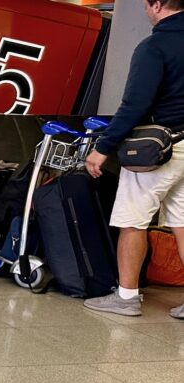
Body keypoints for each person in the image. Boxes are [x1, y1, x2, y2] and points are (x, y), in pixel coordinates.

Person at [85, 0, 184, 318]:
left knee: (132, 220)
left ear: (157, 4)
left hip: (160, 148)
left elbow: (135, 104)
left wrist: (103, 146)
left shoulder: (155, 45)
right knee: (183, 223)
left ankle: (126, 297)